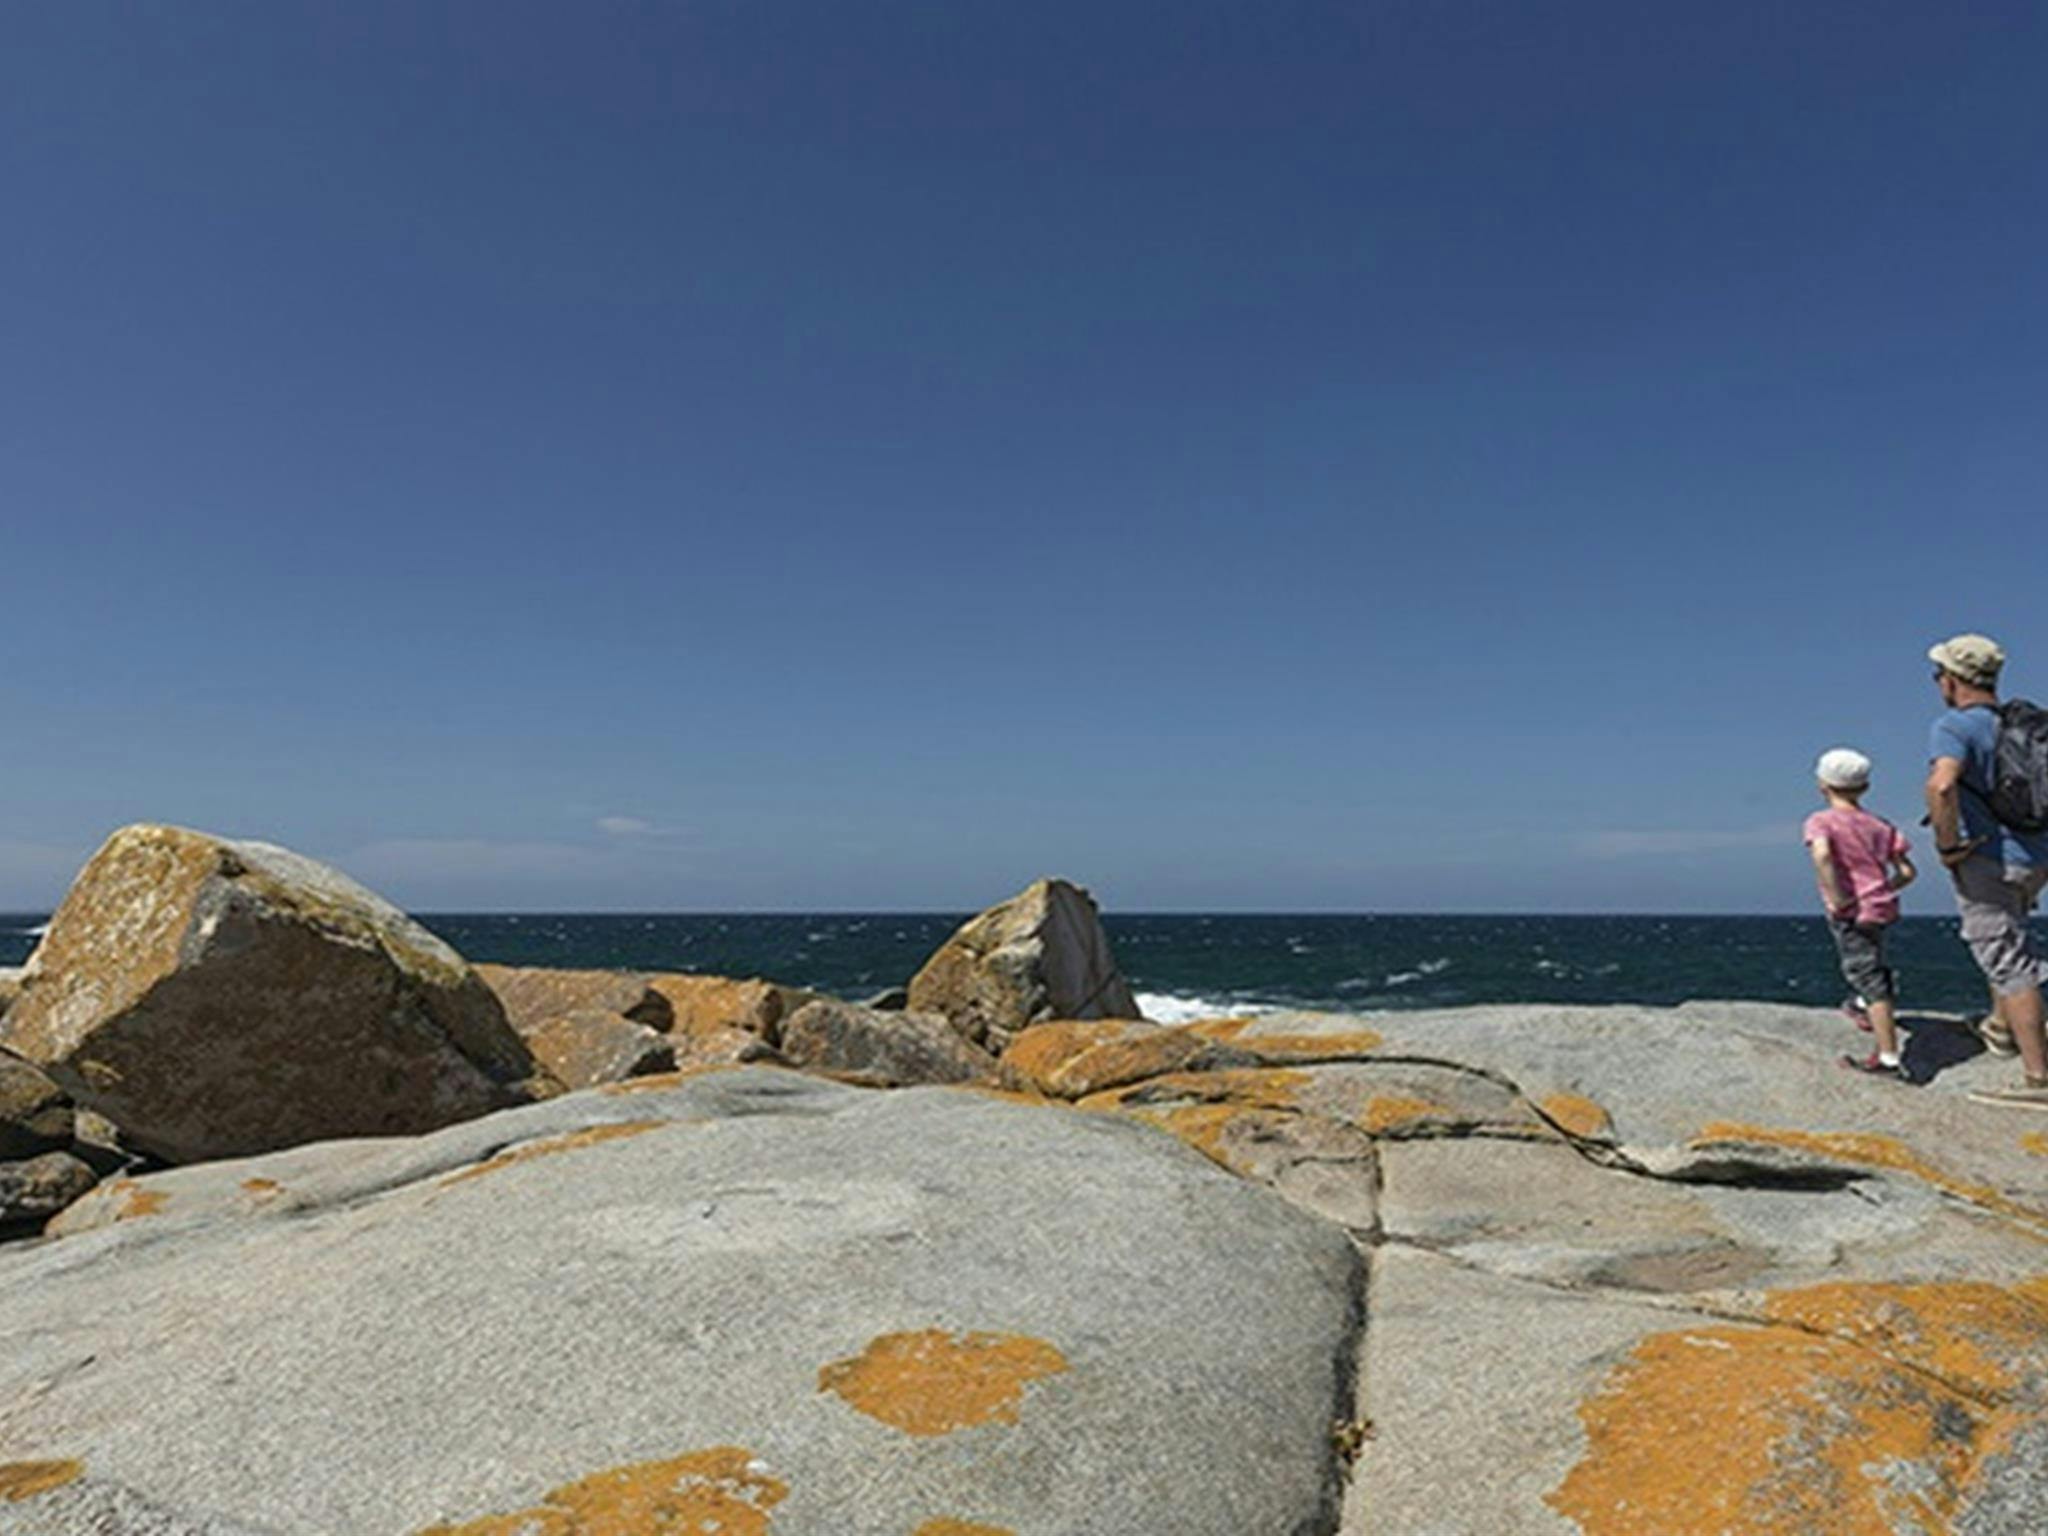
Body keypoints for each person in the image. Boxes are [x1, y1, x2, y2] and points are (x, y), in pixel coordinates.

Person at [1925, 633, 2048, 1109]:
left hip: (1990, 859)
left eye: (1939, 674)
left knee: (2007, 960)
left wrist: (1947, 845)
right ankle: (2000, 1029)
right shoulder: (2027, 721)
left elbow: (1941, 787)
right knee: (2011, 936)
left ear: (1952, 680)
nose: (1938, 682)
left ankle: (2038, 1078)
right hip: (2037, 857)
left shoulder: (1955, 726)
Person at [1804, 748, 1915, 1080]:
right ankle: (1863, 1006)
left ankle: (1889, 1058)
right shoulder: (1880, 825)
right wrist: (1884, 888)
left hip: (1850, 909)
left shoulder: (1820, 822)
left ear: (1823, 785)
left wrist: (1839, 897)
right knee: (1872, 958)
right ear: (1864, 787)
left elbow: (1822, 856)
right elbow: (1908, 872)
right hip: (1880, 905)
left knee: (1866, 975)